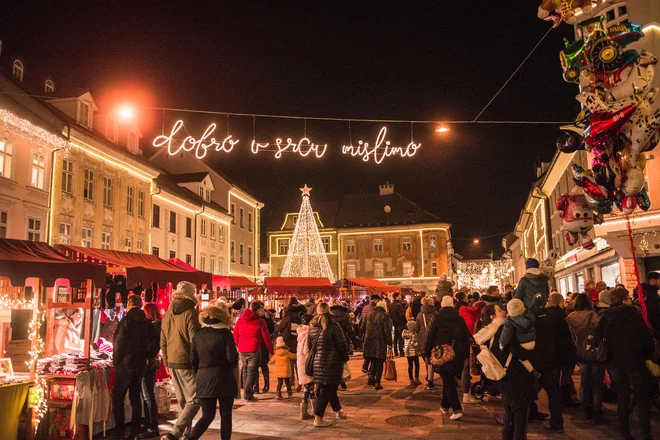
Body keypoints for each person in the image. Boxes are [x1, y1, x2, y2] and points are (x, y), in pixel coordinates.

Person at [597, 287, 655, 440]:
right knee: (642, 397)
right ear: (625, 299)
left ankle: (625, 433)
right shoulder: (634, 313)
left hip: (614, 362)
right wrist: (649, 355)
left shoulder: (605, 315)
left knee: (623, 397)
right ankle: (645, 433)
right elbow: (645, 337)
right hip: (634, 360)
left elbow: (598, 338)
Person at [474, 303, 536, 439]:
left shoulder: (485, 334)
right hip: (515, 376)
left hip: (501, 377)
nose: (504, 312)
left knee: (509, 415)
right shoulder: (504, 329)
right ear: (492, 316)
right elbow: (516, 351)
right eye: (500, 310)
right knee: (520, 419)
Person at [188, 304, 238, 440]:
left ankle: (191, 438)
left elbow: (193, 360)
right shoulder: (225, 334)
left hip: (204, 378)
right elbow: (232, 358)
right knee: (226, 415)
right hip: (224, 378)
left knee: (207, 416)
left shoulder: (197, 335)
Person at [161, 282, 201, 440]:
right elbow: (195, 341)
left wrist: (166, 361)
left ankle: (186, 435)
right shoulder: (191, 312)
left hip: (172, 361)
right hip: (186, 361)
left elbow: (162, 340)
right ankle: (176, 433)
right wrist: (198, 362)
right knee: (196, 398)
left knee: (184, 401)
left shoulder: (167, 313)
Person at [112, 295, 154, 440]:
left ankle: (119, 433)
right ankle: (134, 433)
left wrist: (115, 360)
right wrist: (147, 355)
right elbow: (154, 340)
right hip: (140, 364)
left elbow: (118, 342)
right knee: (136, 397)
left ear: (129, 304)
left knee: (118, 398)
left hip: (125, 364)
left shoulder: (126, 321)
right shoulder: (146, 322)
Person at [424, 296, 471, 421]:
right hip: (457, 354)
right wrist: (466, 355)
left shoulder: (436, 318)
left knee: (448, 380)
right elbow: (467, 338)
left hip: (441, 354)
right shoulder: (460, 319)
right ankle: (444, 406)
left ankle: (457, 409)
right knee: (449, 379)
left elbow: (429, 337)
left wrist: (427, 354)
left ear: (442, 305)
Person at [308, 302, 350, 427]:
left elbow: (310, 347)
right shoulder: (333, 326)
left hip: (318, 361)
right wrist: (345, 357)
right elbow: (342, 344)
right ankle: (318, 417)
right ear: (328, 311)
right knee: (327, 389)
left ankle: (338, 411)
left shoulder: (312, 327)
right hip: (332, 362)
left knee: (328, 387)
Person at [566, 293, 606, 424]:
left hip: (580, 352)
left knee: (584, 382)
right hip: (593, 353)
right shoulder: (593, 316)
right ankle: (597, 411)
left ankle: (585, 409)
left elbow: (571, 336)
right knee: (596, 385)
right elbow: (600, 332)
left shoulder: (570, 317)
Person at [233, 301, 274, 402]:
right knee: (252, 372)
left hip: (242, 350)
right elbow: (266, 338)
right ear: (258, 310)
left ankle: (247, 393)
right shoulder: (260, 322)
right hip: (254, 349)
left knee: (246, 370)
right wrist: (271, 351)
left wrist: (239, 345)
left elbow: (235, 334)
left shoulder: (240, 320)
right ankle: (248, 394)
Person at [499, 297, 544, 387]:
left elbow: (506, 334)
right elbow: (533, 308)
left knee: (522, 359)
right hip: (533, 341)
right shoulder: (529, 315)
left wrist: (502, 343)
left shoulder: (510, 321)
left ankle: (532, 371)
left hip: (523, 343)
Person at [545, 293, 576, 408]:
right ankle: (565, 397)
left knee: (555, 374)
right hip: (563, 348)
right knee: (566, 374)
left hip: (551, 348)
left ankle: (556, 399)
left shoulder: (546, 313)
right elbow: (566, 332)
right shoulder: (560, 314)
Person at [140, 304, 162, 439]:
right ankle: (148, 422)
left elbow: (151, 346)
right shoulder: (156, 325)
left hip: (148, 363)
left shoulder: (154, 327)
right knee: (146, 395)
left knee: (148, 395)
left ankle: (153, 426)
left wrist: (143, 353)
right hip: (149, 362)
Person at [363, 300, 393, 390]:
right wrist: (389, 342)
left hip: (369, 341)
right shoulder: (385, 315)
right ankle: (377, 382)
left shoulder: (369, 314)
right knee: (379, 362)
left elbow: (363, 327)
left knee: (373, 360)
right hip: (380, 341)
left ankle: (371, 378)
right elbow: (387, 330)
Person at [278, 298, 306, 392]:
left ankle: (291, 383)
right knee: (300, 363)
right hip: (300, 341)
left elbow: (281, 326)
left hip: (289, 341)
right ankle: (301, 382)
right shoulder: (302, 316)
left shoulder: (288, 315)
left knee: (290, 363)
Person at [330, 299, 357, 389]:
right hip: (342, 339)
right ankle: (342, 381)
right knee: (342, 361)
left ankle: (334, 381)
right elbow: (349, 329)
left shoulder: (328, 314)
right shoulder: (344, 314)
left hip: (331, 340)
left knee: (332, 362)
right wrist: (354, 341)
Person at [459, 302, 481, 404]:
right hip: (466, 346)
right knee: (465, 368)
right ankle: (466, 394)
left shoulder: (464, 313)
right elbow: (472, 333)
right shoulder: (472, 318)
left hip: (458, 345)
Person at [296, 314, 315, 421]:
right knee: (310, 388)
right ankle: (313, 412)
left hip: (301, 364)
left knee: (308, 388)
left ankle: (307, 411)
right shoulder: (308, 334)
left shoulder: (300, 333)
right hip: (306, 364)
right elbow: (306, 351)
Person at [416, 297, 437, 389]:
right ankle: (431, 376)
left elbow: (417, 329)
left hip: (422, 340)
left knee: (427, 359)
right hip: (434, 339)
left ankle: (429, 376)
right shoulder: (436, 314)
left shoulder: (420, 315)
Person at [255, 305, 275, 394]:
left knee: (255, 367)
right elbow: (271, 331)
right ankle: (266, 385)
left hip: (256, 345)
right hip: (263, 345)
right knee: (264, 365)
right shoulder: (267, 317)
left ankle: (256, 387)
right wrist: (271, 349)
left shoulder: (256, 319)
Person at [359, 294, 381, 373]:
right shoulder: (374, 309)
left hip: (365, 331)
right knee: (372, 351)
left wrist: (361, 330)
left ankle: (365, 366)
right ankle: (369, 368)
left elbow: (361, 319)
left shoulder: (365, 307)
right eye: (378, 300)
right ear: (375, 300)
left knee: (368, 349)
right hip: (372, 331)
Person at [402, 320, 422, 386]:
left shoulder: (405, 333)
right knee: (416, 365)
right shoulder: (414, 334)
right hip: (414, 352)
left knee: (410, 365)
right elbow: (413, 344)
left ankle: (411, 379)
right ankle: (416, 378)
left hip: (407, 352)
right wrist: (418, 345)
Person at [389, 292, 407, 357]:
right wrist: (405, 311)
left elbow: (390, 315)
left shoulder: (391, 305)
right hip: (400, 323)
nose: (400, 297)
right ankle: (401, 352)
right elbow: (401, 315)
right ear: (396, 297)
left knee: (396, 338)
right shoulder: (399, 305)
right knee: (400, 338)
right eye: (399, 296)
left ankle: (396, 352)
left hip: (394, 323)